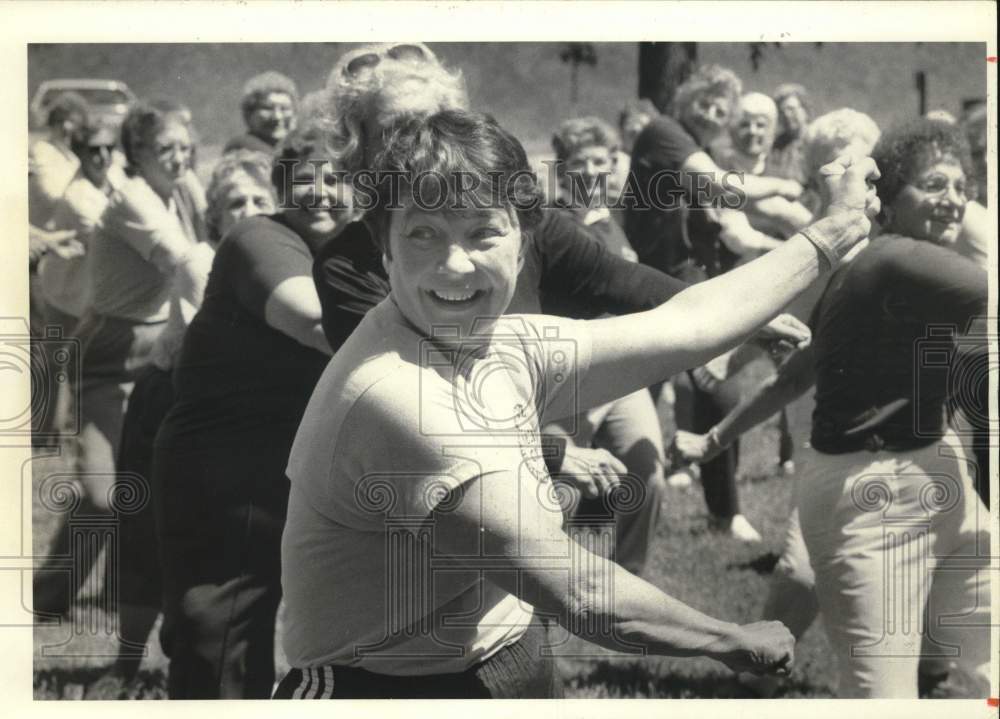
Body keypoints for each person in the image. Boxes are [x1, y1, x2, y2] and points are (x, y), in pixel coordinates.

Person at [276, 108, 879, 699]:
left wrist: (834, 230)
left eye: (483, 231)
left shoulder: (498, 343)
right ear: (384, 249)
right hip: (382, 690)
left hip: (504, 652)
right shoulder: (395, 397)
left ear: (522, 244)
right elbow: (582, 593)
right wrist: (731, 637)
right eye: (423, 233)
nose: (455, 263)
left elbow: (689, 321)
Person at [311, 44, 811, 542]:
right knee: (522, 548)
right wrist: (549, 451)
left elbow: (625, 282)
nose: (421, 144)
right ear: (360, 150)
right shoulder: (346, 265)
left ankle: (604, 599)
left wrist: (743, 315)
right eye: (397, 131)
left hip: (551, 390)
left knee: (641, 468)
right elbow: (417, 400)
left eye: (435, 121)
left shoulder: (524, 224)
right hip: (451, 455)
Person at [670, 118, 989, 698]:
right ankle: (756, 680)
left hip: (933, 465)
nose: (953, 200)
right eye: (935, 185)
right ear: (887, 201)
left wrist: (714, 440)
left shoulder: (881, 265)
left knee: (985, 662)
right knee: (881, 696)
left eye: (961, 186)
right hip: (872, 490)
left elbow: (800, 369)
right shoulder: (897, 260)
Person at [152, 127, 356, 698]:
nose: (321, 191)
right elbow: (318, 324)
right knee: (219, 638)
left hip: (303, 465)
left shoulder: (358, 253)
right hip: (226, 469)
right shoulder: (258, 238)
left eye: (337, 178)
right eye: (306, 179)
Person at [81, 150, 277, 698]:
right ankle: (123, 665)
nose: (248, 210)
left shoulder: (286, 264)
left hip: (227, 414)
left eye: (261, 200)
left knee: (211, 548)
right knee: (145, 536)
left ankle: (194, 654)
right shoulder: (202, 260)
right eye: (235, 202)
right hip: (169, 402)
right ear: (214, 217)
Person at [33, 100, 205, 618]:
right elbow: (186, 259)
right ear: (136, 154)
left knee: (150, 489)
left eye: (184, 148)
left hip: (158, 349)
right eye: (164, 149)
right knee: (101, 495)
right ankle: (44, 602)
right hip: (110, 352)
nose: (178, 159)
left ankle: (122, 591)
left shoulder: (174, 192)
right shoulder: (133, 199)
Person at [546, 116, 666, 575]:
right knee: (555, 488)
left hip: (622, 373)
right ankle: (540, 586)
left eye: (602, 160)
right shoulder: (552, 223)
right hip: (569, 371)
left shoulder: (612, 222)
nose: (592, 170)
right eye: (580, 162)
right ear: (561, 169)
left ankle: (627, 579)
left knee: (647, 471)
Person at [223, 71, 299, 154]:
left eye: (284, 109)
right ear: (249, 114)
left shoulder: (294, 149)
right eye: (267, 108)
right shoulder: (242, 146)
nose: (277, 117)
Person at [768, 83, 811, 187]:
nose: (787, 115)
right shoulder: (776, 145)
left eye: (791, 109)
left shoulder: (815, 141)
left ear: (805, 110)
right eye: (782, 112)